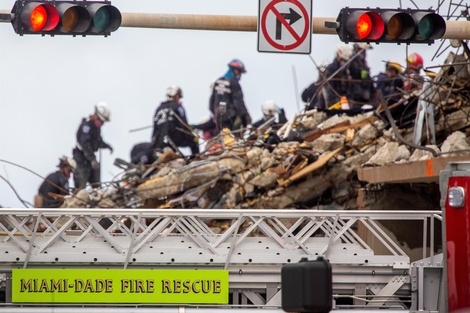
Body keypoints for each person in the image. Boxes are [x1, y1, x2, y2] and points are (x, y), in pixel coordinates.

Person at [73, 102, 113, 190]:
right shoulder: (86, 127)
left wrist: (106, 146)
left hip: (90, 158)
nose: (101, 123)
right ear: (95, 115)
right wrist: (92, 159)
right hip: (81, 158)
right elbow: (85, 144)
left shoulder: (96, 128)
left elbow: (98, 141)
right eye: (100, 120)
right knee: (81, 187)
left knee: (97, 186)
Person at [151, 85, 199, 156]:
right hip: (174, 137)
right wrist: (192, 136)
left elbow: (155, 128)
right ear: (177, 95)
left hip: (160, 140)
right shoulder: (178, 107)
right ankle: (195, 158)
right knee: (195, 141)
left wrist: (154, 143)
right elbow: (184, 125)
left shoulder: (159, 108)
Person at [209, 59, 252, 132]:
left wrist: (216, 115)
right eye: (239, 72)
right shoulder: (234, 83)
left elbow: (211, 102)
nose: (239, 75)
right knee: (233, 138)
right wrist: (246, 116)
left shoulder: (218, 81)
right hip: (230, 118)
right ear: (234, 70)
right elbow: (238, 102)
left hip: (218, 118)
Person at [323, 44, 352, 108]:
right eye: (342, 59)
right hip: (334, 105)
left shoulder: (344, 71)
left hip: (345, 103)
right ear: (338, 56)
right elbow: (329, 91)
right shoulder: (331, 70)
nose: (344, 62)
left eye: (345, 60)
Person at [348, 43, 376, 107]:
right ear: (357, 48)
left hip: (364, 95)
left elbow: (367, 77)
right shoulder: (351, 60)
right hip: (356, 96)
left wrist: (373, 90)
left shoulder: (362, 61)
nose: (365, 53)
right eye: (363, 51)